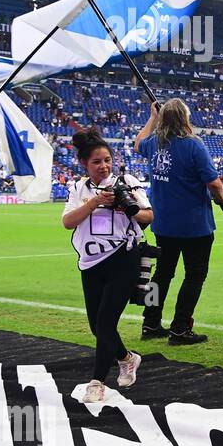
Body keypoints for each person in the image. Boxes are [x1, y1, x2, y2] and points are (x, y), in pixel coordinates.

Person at [62, 127, 153, 403]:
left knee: (105, 322)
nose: (103, 166)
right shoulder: (79, 188)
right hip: (90, 263)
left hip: (124, 259)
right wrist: (94, 203)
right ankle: (127, 358)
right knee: (97, 326)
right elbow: (68, 222)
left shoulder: (126, 182)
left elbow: (148, 217)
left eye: (107, 160)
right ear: (84, 164)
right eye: (96, 162)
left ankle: (97, 382)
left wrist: (128, 209)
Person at [134, 98, 223, 346]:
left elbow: (137, 144)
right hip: (194, 226)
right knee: (194, 276)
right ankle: (180, 328)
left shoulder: (155, 143)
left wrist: (152, 118)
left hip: (164, 224)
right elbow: (213, 183)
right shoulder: (194, 145)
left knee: (161, 276)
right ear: (185, 118)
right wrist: (222, 200)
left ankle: (150, 322)